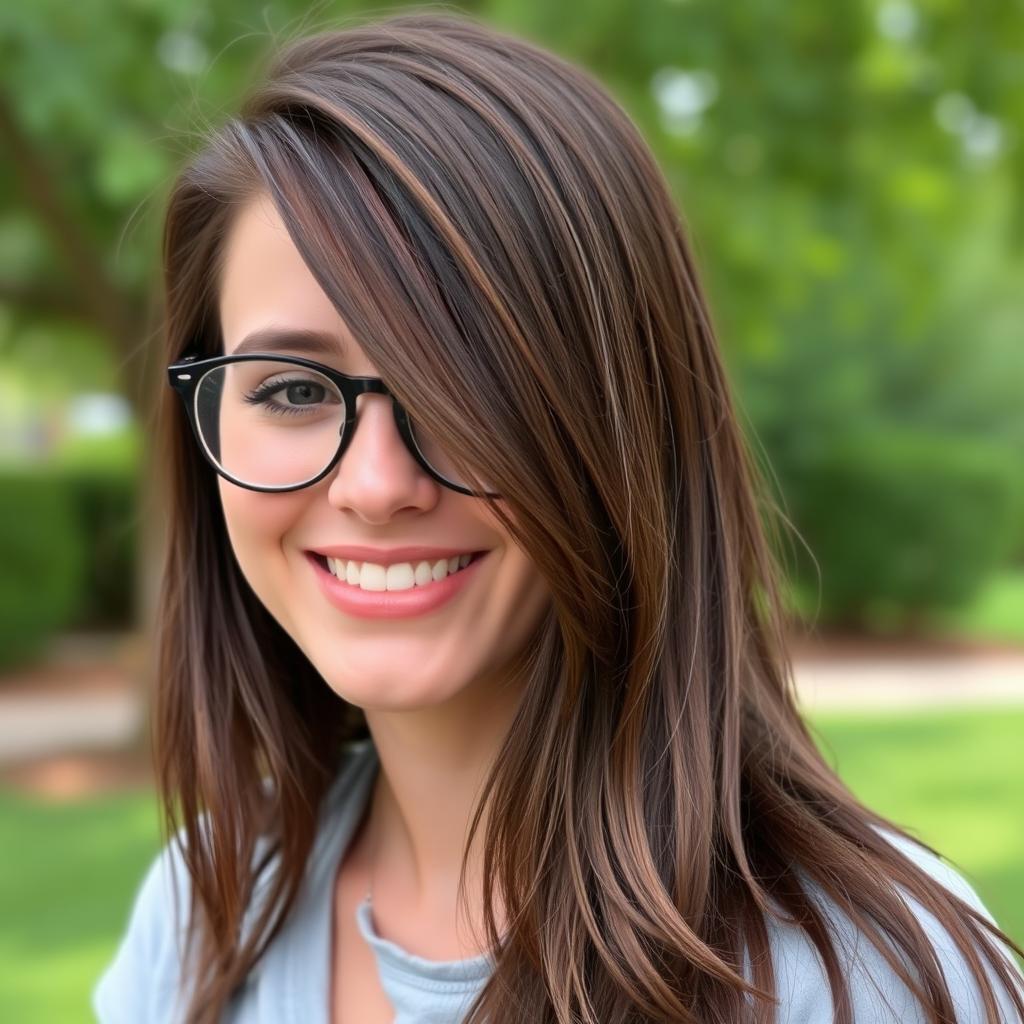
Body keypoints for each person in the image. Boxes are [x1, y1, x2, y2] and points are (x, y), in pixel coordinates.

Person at [92, 10, 1024, 1024]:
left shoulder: (855, 980)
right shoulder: (205, 914)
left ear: (619, 425)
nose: (374, 483)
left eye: (456, 384)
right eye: (289, 390)